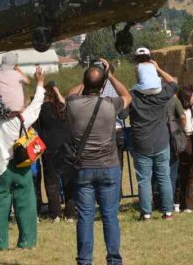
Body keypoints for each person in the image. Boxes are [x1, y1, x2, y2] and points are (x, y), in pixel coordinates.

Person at [0, 67, 45, 250]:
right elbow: (36, 104)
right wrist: (40, 83)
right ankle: (27, 242)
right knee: (26, 205)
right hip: (21, 165)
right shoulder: (22, 118)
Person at [66, 60, 131, 265]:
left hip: (84, 167)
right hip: (108, 165)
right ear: (103, 86)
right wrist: (109, 75)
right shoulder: (109, 104)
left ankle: (85, 261)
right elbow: (127, 96)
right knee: (110, 216)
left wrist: (85, 81)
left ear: (84, 83)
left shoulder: (74, 105)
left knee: (85, 217)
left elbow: (70, 94)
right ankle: (114, 260)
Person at [128, 57, 178, 220]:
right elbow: (173, 84)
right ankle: (168, 211)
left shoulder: (133, 96)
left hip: (141, 142)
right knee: (164, 177)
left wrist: (138, 77)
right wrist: (159, 69)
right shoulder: (162, 94)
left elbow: (122, 112)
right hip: (161, 140)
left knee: (144, 180)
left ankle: (146, 213)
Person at [35, 81, 76, 222]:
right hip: (67, 148)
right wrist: (57, 90)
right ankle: (70, 214)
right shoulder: (63, 107)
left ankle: (55, 214)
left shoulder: (40, 109)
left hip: (49, 149)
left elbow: (36, 129)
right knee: (68, 182)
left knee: (52, 183)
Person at [175, 85, 193, 213]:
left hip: (178, 140)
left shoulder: (177, 109)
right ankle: (191, 204)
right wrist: (192, 102)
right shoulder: (191, 110)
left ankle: (181, 203)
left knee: (182, 173)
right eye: (192, 95)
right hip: (189, 140)